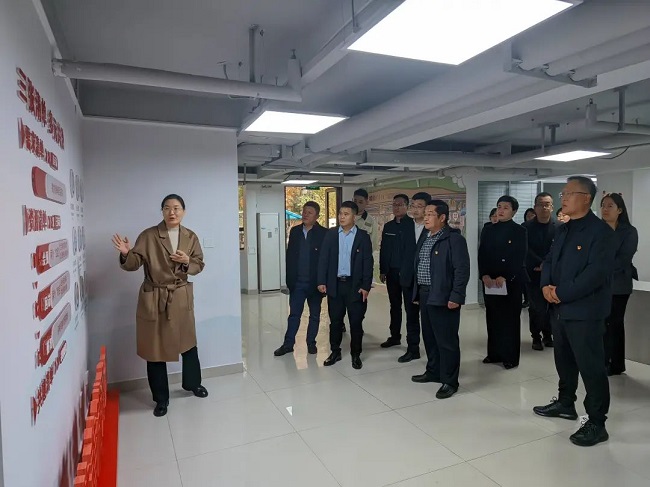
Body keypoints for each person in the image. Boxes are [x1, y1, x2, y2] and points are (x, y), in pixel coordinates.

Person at [533, 176, 615, 447]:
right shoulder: (563, 229)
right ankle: (566, 402)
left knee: (591, 367)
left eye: (569, 193)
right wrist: (545, 285)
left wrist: (561, 293)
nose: (564, 198)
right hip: (559, 310)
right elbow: (549, 260)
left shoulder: (601, 233)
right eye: (563, 194)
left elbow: (594, 274)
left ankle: (597, 422)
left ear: (586, 198)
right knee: (564, 361)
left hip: (585, 312)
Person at [112, 194, 208, 417]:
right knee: (155, 350)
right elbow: (134, 264)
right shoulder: (148, 235)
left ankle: (193, 384)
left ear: (183, 211)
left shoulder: (190, 236)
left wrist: (187, 262)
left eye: (176, 208)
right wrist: (126, 254)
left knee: (188, 344)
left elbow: (199, 264)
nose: (172, 212)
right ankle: (161, 398)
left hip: (180, 296)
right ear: (162, 211)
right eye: (167, 208)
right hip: (155, 297)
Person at [411, 200, 470, 399]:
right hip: (425, 294)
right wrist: (417, 293)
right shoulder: (425, 236)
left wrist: (456, 296)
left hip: (444, 296)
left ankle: (450, 381)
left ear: (442, 217)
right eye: (425, 213)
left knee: (446, 340)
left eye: (430, 214)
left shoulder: (454, 239)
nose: (425, 217)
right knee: (429, 337)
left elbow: (462, 270)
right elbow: (419, 264)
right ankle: (433, 371)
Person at [318, 201, 373, 369]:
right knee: (335, 322)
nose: (342, 217)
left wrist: (366, 286)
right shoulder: (331, 234)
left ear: (354, 217)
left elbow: (367, 262)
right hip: (335, 285)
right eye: (340, 213)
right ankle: (335, 351)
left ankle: (356, 354)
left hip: (355, 286)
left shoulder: (362, 236)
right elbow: (323, 259)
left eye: (346, 214)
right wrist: (321, 281)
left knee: (356, 322)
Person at [478, 195, 527, 369]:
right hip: (490, 282)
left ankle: (510, 357)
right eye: (499, 206)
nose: (501, 210)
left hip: (510, 281)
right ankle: (494, 354)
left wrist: (506, 276)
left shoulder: (519, 231)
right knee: (493, 317)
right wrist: (484, 275)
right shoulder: (488, 230)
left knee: (509, 320)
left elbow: (519, 257)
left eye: (506, 207)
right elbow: (482, 254)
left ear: (514, 211)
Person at [274, 202, 328, 357]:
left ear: (317, 216)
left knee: (315, 315)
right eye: (304, 212)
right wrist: (289, 280)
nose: (305, 215)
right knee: (294, 315)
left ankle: (311, 343)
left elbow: (326, 260)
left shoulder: (323, 233)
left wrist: (323, 281)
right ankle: (288, 344)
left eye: (309, 212)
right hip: (297, 282)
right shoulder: (295, 231)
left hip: (315, 284)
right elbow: (290, 257)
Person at [600, 192, 638, 376]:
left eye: (610, 206)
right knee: (601, 323)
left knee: (614, 323)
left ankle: (615, 363)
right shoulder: (597, 230)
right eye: (603, 205)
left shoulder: (629, 231)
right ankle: (602, 360)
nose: (605, 209)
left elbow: (623, 259)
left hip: (619, 284)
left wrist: (597, 268)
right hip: (598, 285)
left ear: (620, 210)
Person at [379, 194, 417, 353]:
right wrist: (383, 270)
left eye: (400, 204)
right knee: (394, 306)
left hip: (407, 274)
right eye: (394, 204)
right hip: (392, 273)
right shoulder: (388, 226)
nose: (397, 207)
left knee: (410, 308)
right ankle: (394, 336)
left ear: (407, 206)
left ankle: (412, 344)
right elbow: (384, 249)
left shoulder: (413, 226)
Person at [523, 192, 557, 350]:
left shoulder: (560, 227)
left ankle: (548, 335)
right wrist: (540, 263)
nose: (544, 208)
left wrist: (547, 264)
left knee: (552, 306)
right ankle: (536, 336)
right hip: (534, 273)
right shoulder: (526, 228)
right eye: (541, 204)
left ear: (552, 207)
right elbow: (525, 249)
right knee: (537, 307)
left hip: (553, 274)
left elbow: (559, 249)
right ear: (535, 207)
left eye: (547, 204)